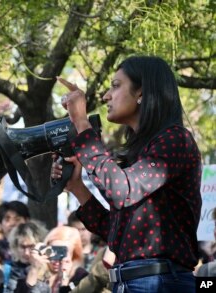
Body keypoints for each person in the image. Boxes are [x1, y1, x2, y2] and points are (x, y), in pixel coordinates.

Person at [51, 56, 202, 293]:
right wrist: (77, 187)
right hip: (132, 281)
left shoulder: (175, 139)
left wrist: (81, 123)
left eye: (115, 85)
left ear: (141, 93)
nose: (106, 96)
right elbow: (117, 231)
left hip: (159, 282)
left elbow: (122, 190)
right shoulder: (142, 152)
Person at [24, 225, 88, 293]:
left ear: (74, 254)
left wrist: (64, 281)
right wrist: (34, 270)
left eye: (62, 252)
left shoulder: (81, 277)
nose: (56, 259)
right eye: (53, 251)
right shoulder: (31, 271)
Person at [4, 221, 48, 293]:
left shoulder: (50, 268)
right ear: (15, 246)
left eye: (31, 247)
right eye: (23, 247)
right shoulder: (9, 269)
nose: (27, 253)